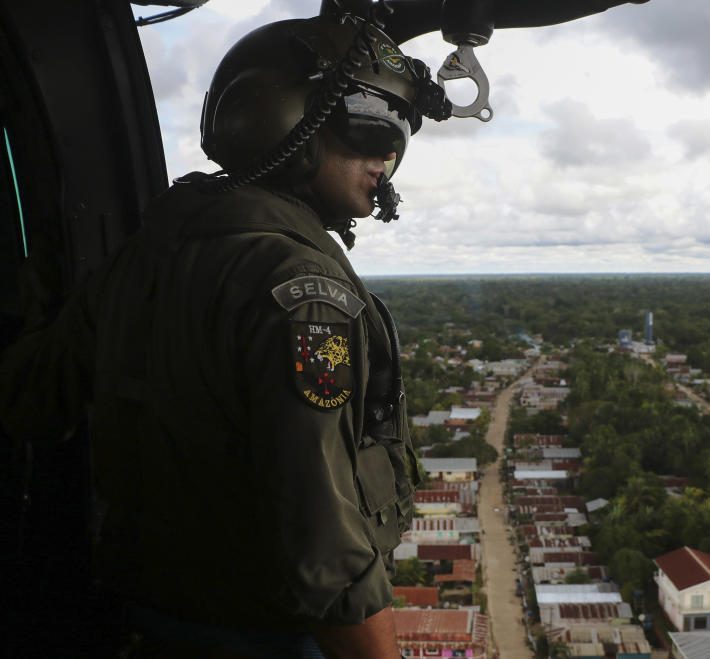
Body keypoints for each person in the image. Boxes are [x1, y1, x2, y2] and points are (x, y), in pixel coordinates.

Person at [0, 10, 449, 658]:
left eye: (401, 130)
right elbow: (324, 554)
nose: (389, 152)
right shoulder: (301, 289)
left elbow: (29, 399)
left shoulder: (142, 256)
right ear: (287, 117)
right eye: (370, 122)